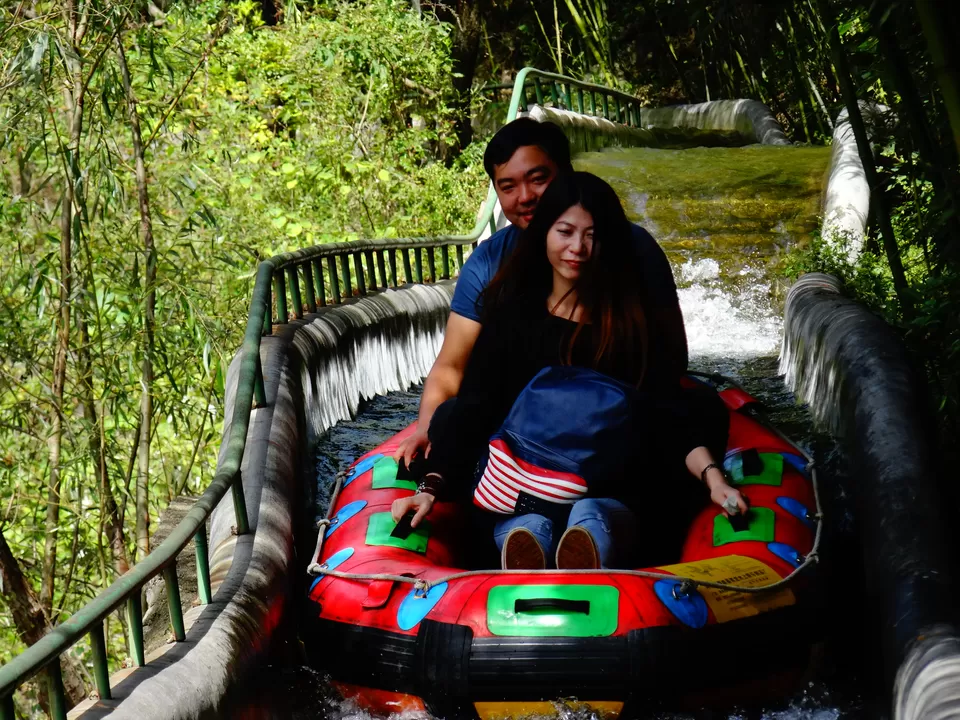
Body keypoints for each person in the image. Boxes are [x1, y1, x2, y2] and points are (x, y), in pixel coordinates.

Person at [390, 173, 747, 570]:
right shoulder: (511, 316)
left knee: (691, 416)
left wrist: (714, 479)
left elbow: (664, 411)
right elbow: (476, 407)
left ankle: (589, 534)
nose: (578, 248)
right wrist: (430, 488)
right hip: (522, 482)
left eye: (592, 235)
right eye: (565, 232)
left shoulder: (629, 321)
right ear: (543, 233)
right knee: (510, 499)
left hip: (609, 482)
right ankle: (526, 537)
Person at [393, 118, 687, 469]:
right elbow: (451, 366)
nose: (526, 197)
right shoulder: (489, 264)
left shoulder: (632, 249)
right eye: (508, 187)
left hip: (611, 420)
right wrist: (427, 429)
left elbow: (670, 357)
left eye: (538, 179)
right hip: (516, 427)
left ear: (565, 174)